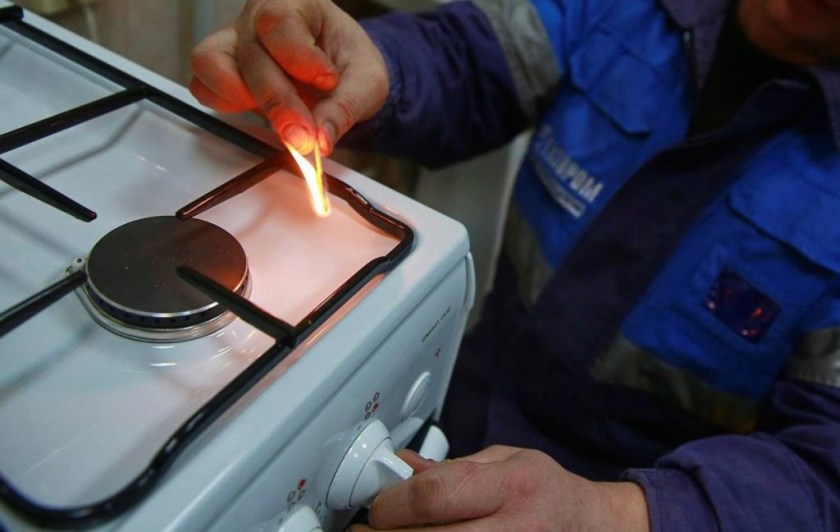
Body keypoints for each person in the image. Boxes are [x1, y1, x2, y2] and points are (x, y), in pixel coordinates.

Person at [190, 0, 840, 529]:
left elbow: (823, 473)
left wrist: (613, 516)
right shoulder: (628, 9)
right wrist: (366, 67)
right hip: (460, 404)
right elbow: (470, 57)